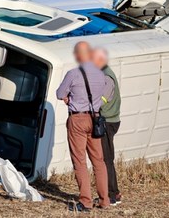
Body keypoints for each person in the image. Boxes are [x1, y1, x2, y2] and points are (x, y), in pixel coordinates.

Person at [56, 41, 114, 212]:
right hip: (95, 119)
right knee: (99, 161)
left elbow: (60, 94)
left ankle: (86, 202)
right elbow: (110, 90)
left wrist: (69, 99)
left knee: (80, 161)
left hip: (77, 119)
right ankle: (104, 200)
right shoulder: (100, 74)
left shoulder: (73, 73)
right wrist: (99, 101)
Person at [92, 48, 122, 206]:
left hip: (107, 122)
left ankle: (112, 194)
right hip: (109, 120)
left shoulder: (106, 76)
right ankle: (112, 192)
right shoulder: (104, 73)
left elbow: (102, 99)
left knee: (106, 159)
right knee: (105, 158)